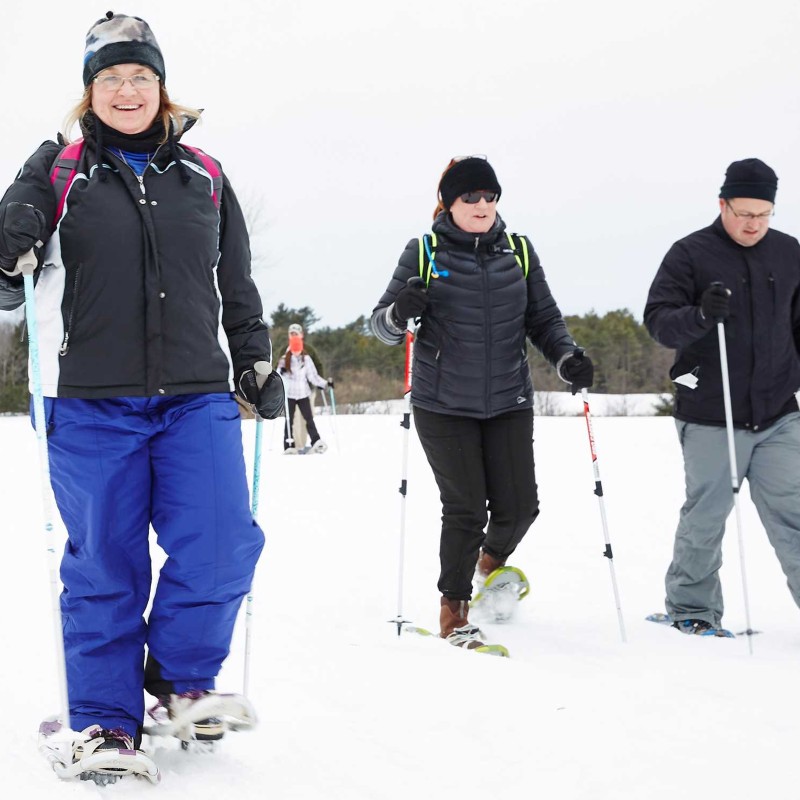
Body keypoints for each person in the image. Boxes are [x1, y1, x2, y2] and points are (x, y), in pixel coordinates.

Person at [0, 12, 284, 776]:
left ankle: (178, 685)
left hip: (196, 394)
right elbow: (6, 268)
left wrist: (254, 363)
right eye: (110, 78)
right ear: (89, 92)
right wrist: (12, 241)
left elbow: (237, 285)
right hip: (87, 401)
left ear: (163, 87)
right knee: (107, 565)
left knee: (225, 545)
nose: (127, 90)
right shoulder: (57, 171)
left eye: (140, 76)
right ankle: (104, 725)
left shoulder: (205, 175)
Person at [371, 155, 593, 651]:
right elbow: (381, 327)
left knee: (520, 508)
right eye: (470, 197)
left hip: (508, 399)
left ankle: (488, 567)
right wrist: (400, 311)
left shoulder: (519, 250)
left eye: (490, 196)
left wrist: (568, 357)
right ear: (449, 203)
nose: (482, 205)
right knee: (466, 507)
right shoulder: (423, 251)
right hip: (443, 403)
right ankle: (454, 612)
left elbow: (545, 320)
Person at [644, 158, 800, 636]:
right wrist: (699, 315)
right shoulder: (689, 254)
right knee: (707, 516)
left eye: (763, 214)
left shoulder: (789, 252)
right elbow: (658, 320)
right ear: (722, 204)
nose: (753, 223)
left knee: (794, 515)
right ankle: (691, 609)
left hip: (777, 414)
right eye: (744, 212)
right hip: (713, 412)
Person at [277, 322, 333, 454]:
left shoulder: (306, 358)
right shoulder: (284, 359)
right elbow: (277, 375)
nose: (296, 353)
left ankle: (316, 441)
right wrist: (282, 373)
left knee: (309, 418)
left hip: (303, 393)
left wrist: (325, 384)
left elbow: (313, 376)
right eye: (294, 350)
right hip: (290, 394)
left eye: (298, 350)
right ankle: (289, 445)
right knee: (289, 420)